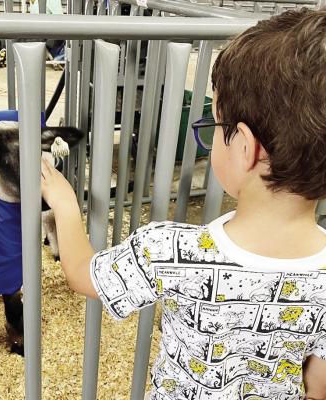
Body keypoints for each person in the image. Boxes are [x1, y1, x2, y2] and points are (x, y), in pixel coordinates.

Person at [41, 8, 326, 400]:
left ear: (244, 147)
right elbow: (318, 388)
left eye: (215, 124)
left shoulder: (173, 249)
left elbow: (83, 276)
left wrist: (64, 203)